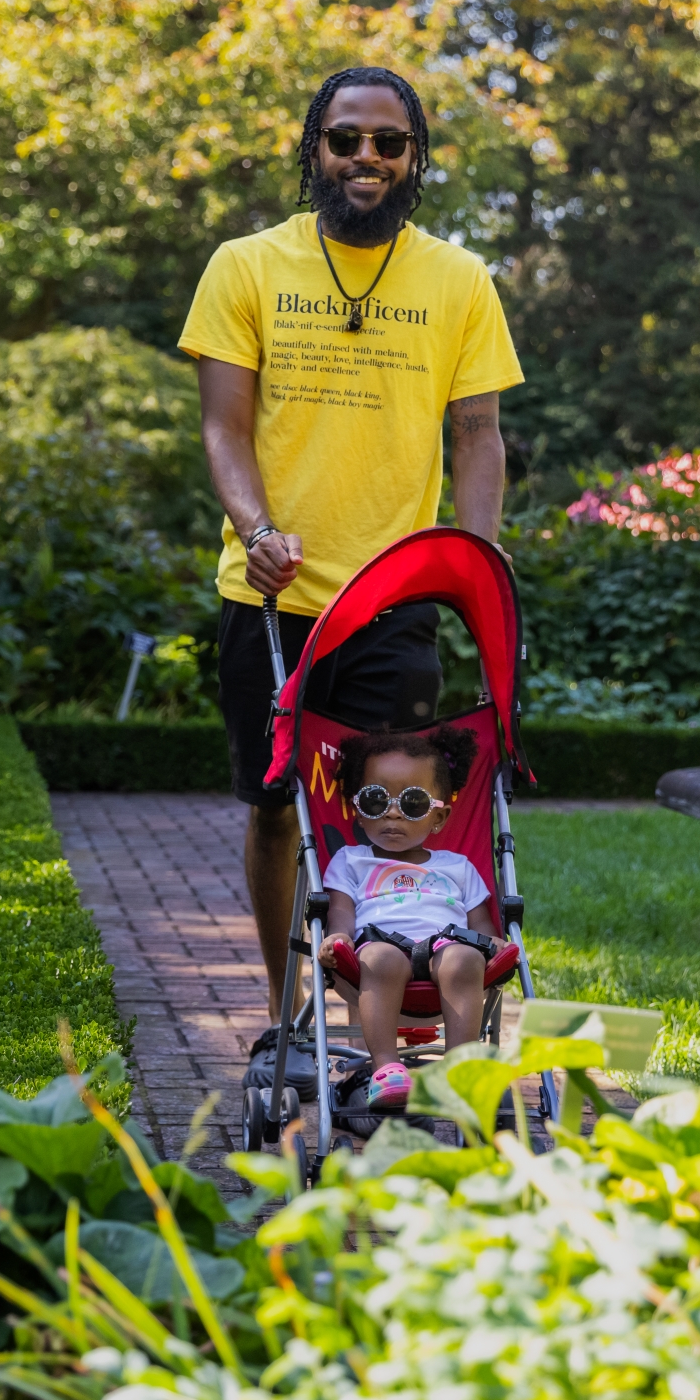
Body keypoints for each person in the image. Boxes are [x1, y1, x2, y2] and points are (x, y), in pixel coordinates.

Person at [179, 65, 523, 1019]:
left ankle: (379, 1008)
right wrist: (256, 531)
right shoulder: (245, 266)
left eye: (388, 141)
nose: (365, 156)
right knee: (271, 804)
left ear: (416, 158)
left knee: (391, 811)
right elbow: (223, 427)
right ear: (313, 148)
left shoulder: (457, 279)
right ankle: (287, 999)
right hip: (272, 598)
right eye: (345, 138)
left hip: (394, 598)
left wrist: (472, 566)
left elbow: (479, 434)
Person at [315, 725, 498, 1109]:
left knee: (467, 957)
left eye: (413, 803)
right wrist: (337, 938)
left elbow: (479, 920)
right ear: (357, 810)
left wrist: (491, 942)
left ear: (439, 817)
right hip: (378, 949)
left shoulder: (458, 867)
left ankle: (458, 1070)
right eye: (375, 801)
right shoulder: (351, 860)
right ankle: (387, 1068)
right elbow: (341, 911)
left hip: (446, 946)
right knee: (379, 958)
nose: (393, 812)